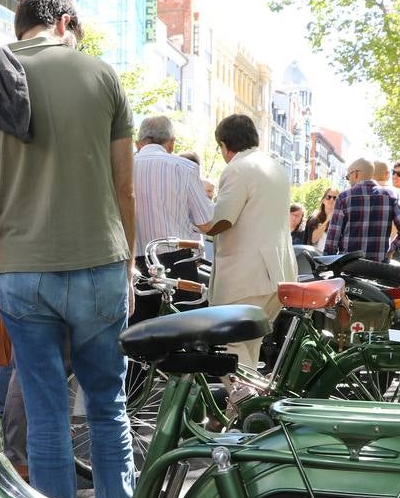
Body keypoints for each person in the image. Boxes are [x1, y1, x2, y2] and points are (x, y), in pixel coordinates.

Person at [0, 0, 136, 498]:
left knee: (46, 413)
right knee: (108, 407)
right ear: (65, 24)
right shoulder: (102, 74)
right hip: (101, 264)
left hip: (24, 274)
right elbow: (124, 187)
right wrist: (127, 268)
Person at [195, 114, 298, 371]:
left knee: (232, 349)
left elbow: (221, 220)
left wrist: (193, 219)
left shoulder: (238, 168)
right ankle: (242, 409)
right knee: (249, 348)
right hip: (276, 273)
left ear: (224, 144)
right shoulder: (273, 166)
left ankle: (241, 406)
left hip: (247, 276)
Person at [131, 114, 212, 321]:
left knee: (139, 337)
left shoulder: (121, 168)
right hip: (178, 263)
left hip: (134, 265)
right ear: (172, 143)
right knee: (185, 335)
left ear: (139, 142)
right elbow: (206, 222)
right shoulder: (185, 168)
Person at [325, 157, 400, 264]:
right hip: (378, 267)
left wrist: (328, 263)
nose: (349, 181)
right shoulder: (392, 196)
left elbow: (333, 237)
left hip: (349, 266)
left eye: (348, 177)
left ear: (355, 174)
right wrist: (391, 249)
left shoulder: (344, 197)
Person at [304, 187, 339, 252]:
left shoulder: (341, 219)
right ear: (323, 200)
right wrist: (327, 221)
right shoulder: (315, 218)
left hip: (334, 258)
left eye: (335, 198)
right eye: (328, 197)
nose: (331, 200)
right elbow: (313, 239)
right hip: (316, 258)